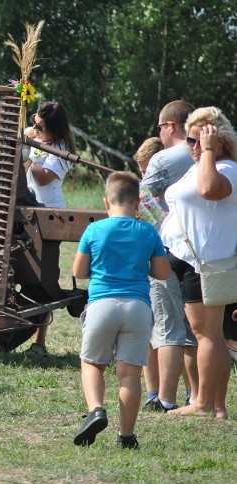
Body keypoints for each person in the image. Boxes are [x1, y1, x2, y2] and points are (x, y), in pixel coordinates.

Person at [72, 172, 170, 449]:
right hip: (138, 308)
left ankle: (96, 410)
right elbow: (162, 273)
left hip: (102, 304)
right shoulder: (148, 232)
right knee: (129, 374)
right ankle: (126, 436)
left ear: (106, 200)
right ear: (137, 204)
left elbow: (79, 271)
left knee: (92, 363)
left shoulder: (94, 230)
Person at [159, 106, 237, 419]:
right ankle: (216, 406)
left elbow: (208, 190)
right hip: (187, 258)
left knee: (207, 334)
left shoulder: (228, 168)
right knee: (208, 334)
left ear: (220, 141)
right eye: (190, 141)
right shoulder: (200, 164)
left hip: (205, 262)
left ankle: (204, 403)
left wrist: (207, 150)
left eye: (198, 140)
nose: (192, 146)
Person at [139, 101, 199, 412]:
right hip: (204, 249)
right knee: (197, 330)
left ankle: (164, 399)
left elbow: (142, 202)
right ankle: (196, 396)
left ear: (171, 126)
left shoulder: (163, 158)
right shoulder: (209, 154)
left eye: (160, 127)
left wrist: (157, 227)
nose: (159, 133)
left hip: (168, 248)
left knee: (166, 326)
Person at [21, 100, 74, 354]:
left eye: (41, 127)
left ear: (54, 128)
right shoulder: (40, 140)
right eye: (35, 124)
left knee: (44, 278)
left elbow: (42, 179)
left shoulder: (62, 149)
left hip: (49, 214)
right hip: (30, 209)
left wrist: (31, 150)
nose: (36, 129)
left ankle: (39, 342)